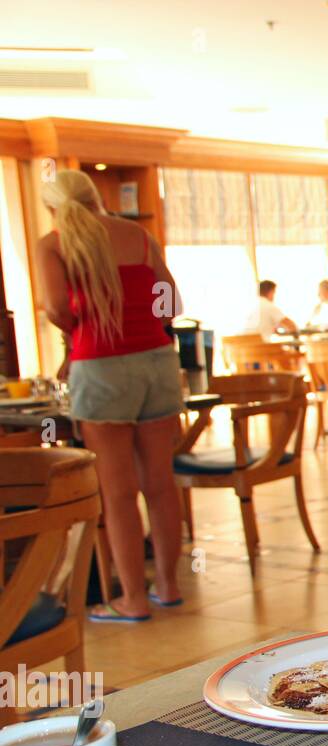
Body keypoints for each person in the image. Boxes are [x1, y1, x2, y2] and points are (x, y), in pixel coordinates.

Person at [33, 170, 185, 622]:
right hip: (157, 363)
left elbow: (57, 308)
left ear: (55, 208)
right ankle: (170, 587)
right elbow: (172, 303)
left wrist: (87, 325)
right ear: (96, 198)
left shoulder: (53, 244)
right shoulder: (137, 234)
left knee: (118, 493)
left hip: (100, 366)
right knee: (160, 485)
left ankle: (133, 599)